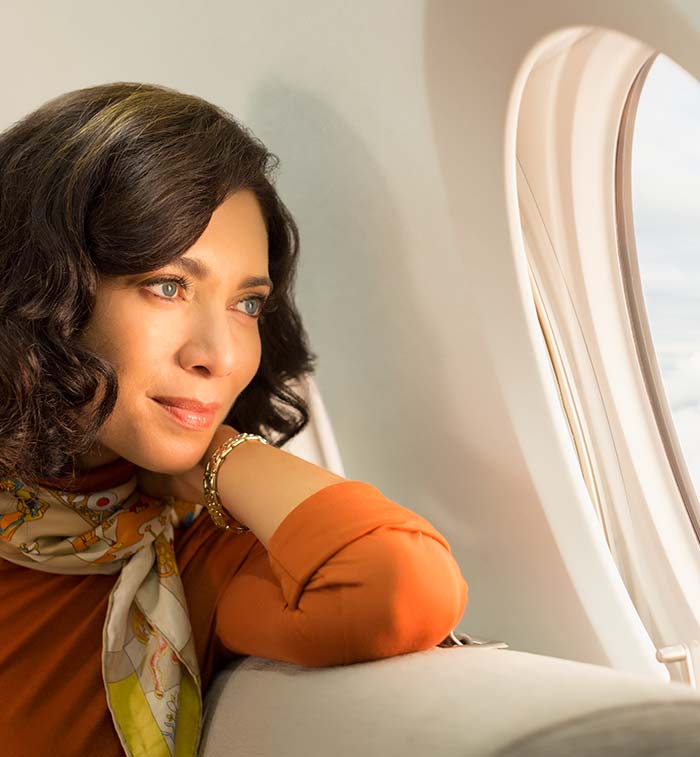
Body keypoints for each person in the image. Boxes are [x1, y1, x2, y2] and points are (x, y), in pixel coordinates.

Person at [0, 81, 469, 757]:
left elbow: (399, 585)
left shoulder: (181, 561)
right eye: (168, 286)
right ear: (45, 288)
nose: (218, 355)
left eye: (246, 305)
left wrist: (218, 455)